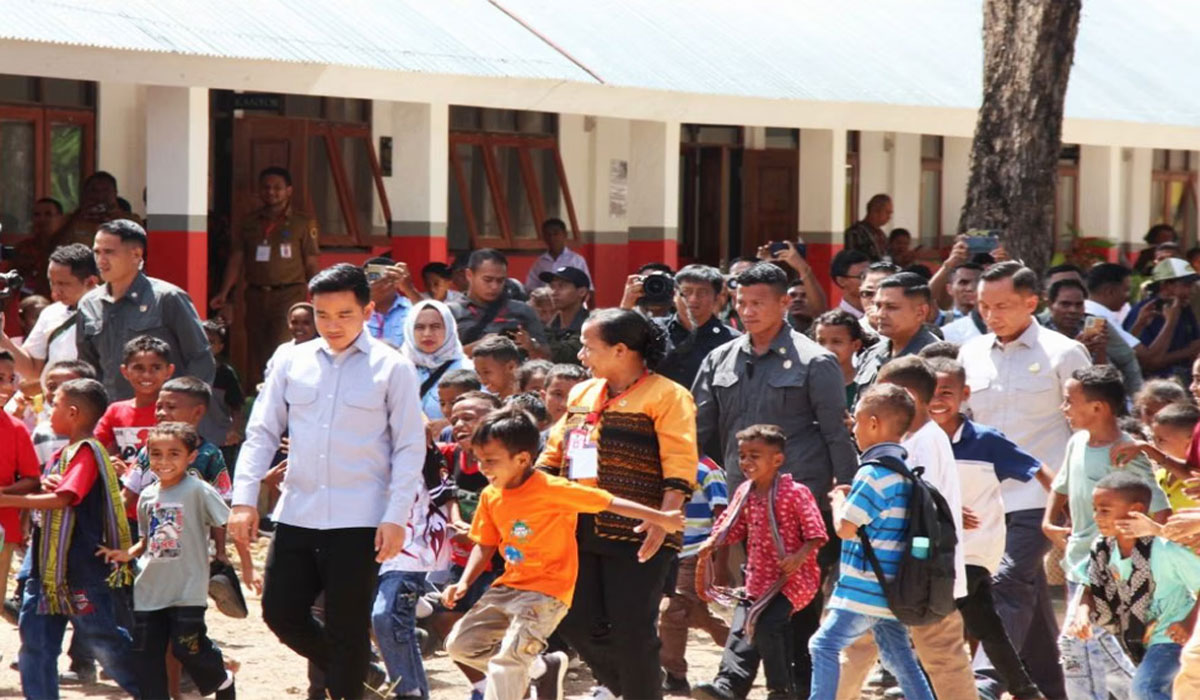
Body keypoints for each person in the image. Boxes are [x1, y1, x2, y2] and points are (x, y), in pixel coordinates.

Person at [228, 263, 426, 700]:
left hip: (362, 519)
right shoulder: (289, 359)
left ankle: (348, 680)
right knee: (281, 613)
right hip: (298, 511)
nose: (332, 325)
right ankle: (361, 675)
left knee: (348, 626)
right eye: (322, 314)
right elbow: (261, 432)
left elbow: (410, 447)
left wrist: (396, 517)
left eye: (345, 314)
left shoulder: (392, 367)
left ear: (368, 310)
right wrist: (244, 500)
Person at [692, 262, 857, 696]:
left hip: (800, 505)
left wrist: (848, 494)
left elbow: (837, 434)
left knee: (793, 602)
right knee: (760, 591)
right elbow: (697, 431)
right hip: (744, 503)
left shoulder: (814, 361)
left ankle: (775, 685)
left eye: (758, 302)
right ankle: (753, 685)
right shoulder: (719, 358)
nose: (747, 311)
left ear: (785, 303)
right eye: (741, 302)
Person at [444, 406, 683, 700]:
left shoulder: (552, 489)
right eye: (479, 460)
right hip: (508, 587)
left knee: (508, 662)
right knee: (460, 645)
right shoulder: (490, 495)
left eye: (491, 461)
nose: (483, 468)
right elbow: (485, 542)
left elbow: (608, 502)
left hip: (548, 591)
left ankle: (520, 670)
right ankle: (540, 668)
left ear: (522, 459)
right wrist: (465, 582)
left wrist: (662, 518)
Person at [537, 308, 698, 700]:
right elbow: (555, 453)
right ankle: (637, 691)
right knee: (574, 619)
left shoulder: (668, 396)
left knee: (632, 628)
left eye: (588, 347)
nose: (581, 356)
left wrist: (664, 521)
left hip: (641, 531)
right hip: (578, 528)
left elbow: (679, 462)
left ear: (621, 350)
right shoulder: (582, 393)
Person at [959, 261, 1091, 698]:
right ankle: (1048, 688)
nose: (991, 315)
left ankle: (985, 683)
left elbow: (1085, 427)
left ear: (1031, 303)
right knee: (1027, 596)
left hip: (1043, 494)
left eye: (1001, 306)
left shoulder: (1063, 352)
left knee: (1008, 580)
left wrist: (1079, 494)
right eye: (983, 306)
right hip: (984, 497)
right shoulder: (970, 353)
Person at [836, 356, 977, 700]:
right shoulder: (918, 439)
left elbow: (908, 507)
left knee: (941, 654)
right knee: (857, 648)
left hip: (915, 572)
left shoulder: (921, 442)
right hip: (901, 572)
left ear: (906, 397)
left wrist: (848, 502)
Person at [1, 378, 139, 698]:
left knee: (104, 639)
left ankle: (152, 689)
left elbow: (64, 498)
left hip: (80, 569)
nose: (49, 411)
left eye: (55, 405)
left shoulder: (87, 452)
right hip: (46, 569)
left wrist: (7, 500)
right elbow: (56, 490)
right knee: (35, 642)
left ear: (74, 412)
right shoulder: (66, 454)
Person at [926, 356, 1048, 700]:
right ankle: (1022, 687)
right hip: (932, 548)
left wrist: (1062, 511)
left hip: (974, 550)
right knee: (968, 622)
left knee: (976, 621)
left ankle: (1015, 687)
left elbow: (1038, 468)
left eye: (947, 391)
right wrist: (943, 511)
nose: (938, 400)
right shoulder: (918, 439)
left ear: (965, 393)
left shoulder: (986, 441)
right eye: (931, 391)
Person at [1043, 365, 1169, 699]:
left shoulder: (1126, 454)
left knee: (1075, 645)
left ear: (1098, 407)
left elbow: (1159, 512)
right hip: (1078, 566)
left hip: (1113, 574)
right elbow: (1062, 484)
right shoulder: (1077, 442)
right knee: (1103, 653)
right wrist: (1049, 520)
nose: (1064, 407)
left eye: (1070, 400)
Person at [807, 383, 934, 700]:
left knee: (822, 645)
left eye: (858, 422)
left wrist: (838, 500)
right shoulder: (905, 472)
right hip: (890, 587)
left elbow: (846, 528)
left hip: (864, 588)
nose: (854, 431)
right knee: (899, 659)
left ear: (874, 423)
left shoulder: (872, 473)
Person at [97, 422, 237, 699]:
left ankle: (222, 678)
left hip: (187, 590)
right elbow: (147, 540)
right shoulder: (147, 495)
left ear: (191, 457)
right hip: (150, 589)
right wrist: (128, 553)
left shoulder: (198, 490)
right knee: (147, 656)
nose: (164, 461)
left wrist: (227, 556)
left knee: (188, 646)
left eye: (174, 454)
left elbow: (226, 520)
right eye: (156, 454)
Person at [691, 425, 827, 700]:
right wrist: (713, 542)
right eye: (742, 456)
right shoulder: (745, 491)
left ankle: (781, 689)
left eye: (754, 456)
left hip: (792, 580)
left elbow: (817, 534)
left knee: (768, 625)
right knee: (741, 630)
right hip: (756, 579)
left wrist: (797, 557)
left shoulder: (795, 492)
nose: (746, 462)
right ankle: (727, 687)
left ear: (777, 460)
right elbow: (733, 526)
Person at [1065, 471, 1200, 700]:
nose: (1097, 516)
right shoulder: (1102, 549)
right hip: (1139, 640)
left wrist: (1188, 623)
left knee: (1144, 689)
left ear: (1136, 510)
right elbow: (1089, 587)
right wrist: (1082, 613)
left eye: (1105, 510)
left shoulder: (1166, 550)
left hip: (1172, 639)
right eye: (1095, 509)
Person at [77, 218, 214, 401]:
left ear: (136, 254)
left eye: (109, 252)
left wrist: (186, 407)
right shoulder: (88, 304)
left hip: (163, 414)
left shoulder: (167, 298)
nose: (101, 260)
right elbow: (88, 367)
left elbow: (199, 357)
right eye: (97, 252)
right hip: (112, 414)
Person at [210, 166, 320, 387]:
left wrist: (317, 295)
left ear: (289, 190)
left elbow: (310, 261)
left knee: (283, 346)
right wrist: (224, 292)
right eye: (266, 187)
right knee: (257, 349)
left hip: (289, 294)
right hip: (256, 294)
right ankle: (258, 395)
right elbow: (237, 258)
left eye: (277, 188)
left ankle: (284, 392)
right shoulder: (249, 222)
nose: (271, 192)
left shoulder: (302, 223)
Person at [372, 420, 453, 700]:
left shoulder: (423, 452)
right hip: (366, 548)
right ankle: (412, 691)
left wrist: (456, 525)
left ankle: (408, 691)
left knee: (386, 617)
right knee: (388, 622)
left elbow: (446, 496)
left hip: (410, 550)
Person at [659, 453, 730, 696]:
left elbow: (723, 516)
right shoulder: (664, 463)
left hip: (695, 553)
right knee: (692, 613)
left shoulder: (707, 470)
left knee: (674, 609)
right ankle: (741, 645)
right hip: (665, 551)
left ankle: (675, 677)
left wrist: (720, 561)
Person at [0, 243, 99, 387]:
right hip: (55, 405)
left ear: (90, 282)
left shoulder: (113, 312)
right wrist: (2, 338)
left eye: (63, 284)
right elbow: (33, 371)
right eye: (52, 283)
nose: (55, 292)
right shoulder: (50, 313)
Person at [628, 264, 739, 390]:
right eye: (686, 292)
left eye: (702, 293)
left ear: (717, 298)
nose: (693, 299)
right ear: (675, 295)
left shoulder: (732, 340)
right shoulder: (653, 330)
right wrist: (627, 303)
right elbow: (616, 346)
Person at [1043, 278, 1143, 395]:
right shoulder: (1039, 329)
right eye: (1065, 304)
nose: (1073, 310)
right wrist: (1076, 351)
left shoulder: (1093, 324)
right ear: (1050, 304)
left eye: (1079, 305)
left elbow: (1123, 362)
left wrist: (1101, 348)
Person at [851, 272, 939, 395]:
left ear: (921, 312)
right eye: (878, 306)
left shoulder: (935, 359)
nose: (880, 314)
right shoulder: (871, 355)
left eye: (891, 307)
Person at [450, 249, 548, 358]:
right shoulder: (450, 312)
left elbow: (547, 358)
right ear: (469, 275)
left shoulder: (524, 311)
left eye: (500, 281)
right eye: (488, 280)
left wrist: (531, 347)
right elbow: (438, 359)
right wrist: (477, 346)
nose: (494, 286)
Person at [0, 350, 39, 602]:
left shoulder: (16, 428)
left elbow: (32, 478)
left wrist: (3, 494)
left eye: (10, 379)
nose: (6, 386)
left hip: (3, 527)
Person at [1124, 258, 1200, 382]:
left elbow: (1196, 345)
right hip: (1155, 385)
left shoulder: (1185, 310)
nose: (1191, 291)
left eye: (1192, 285)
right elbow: (1150, 362)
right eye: (1186, 285)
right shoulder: (1147, 312)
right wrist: (1187, 352)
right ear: (1165, 285)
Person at [400, 299, 469, 425]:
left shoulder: (466, 369)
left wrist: (448, 425)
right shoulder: (398, 368)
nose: (427, 334)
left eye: (435, 327)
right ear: (409, 329)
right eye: (419, 327)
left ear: (449, 328)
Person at [49, 172, 143, 251]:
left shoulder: (131, 221)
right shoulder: (69, 221)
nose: (99, 196)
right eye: (94, 191)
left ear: (115, 193)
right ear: (85, 194)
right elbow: (53, 249)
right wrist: (77, 217)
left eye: (106, 190)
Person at [812, 309, 866, 409]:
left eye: (837, 342)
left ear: (856, 345)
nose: (827, 349)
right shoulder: (806, 383)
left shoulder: (865, 384)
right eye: (821, 341)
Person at [364, 256, 423, 348]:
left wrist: (409, 289)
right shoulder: (356, 309)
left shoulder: (412, 308)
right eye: (373, 277)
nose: (379, 282)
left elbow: (430, 315)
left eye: (386, 277)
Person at [523, 218, 592, 292]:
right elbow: (530, 287)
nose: (552, 238)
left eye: (556, 234)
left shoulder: (576, 260)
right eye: (548, 234)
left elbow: (588, 289)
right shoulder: (540, 263)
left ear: (565, 234)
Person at [541, 266, 590, 365]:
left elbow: (564, 356)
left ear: (582, 292)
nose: (554, 292)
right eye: (552, 286)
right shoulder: (549, 322)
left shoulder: (590, 324)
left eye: (561, 286)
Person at [844, 194, 893, 261]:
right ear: (875, 211)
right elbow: (853, 261)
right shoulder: (855, 233)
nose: (889, 217)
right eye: (887, 212)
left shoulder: (881, 235)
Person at [472, 335, 521, 400]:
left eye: (486, 372)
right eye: (478, 373)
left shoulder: (531, 403)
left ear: (511, 367)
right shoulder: (488, 404)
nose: (483, 380)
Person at [829, 250, 871, 320]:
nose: (869, 281)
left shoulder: (880, 315)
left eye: (871, 274)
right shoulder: (837, 322)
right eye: (862, 276)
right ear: (841, 281)